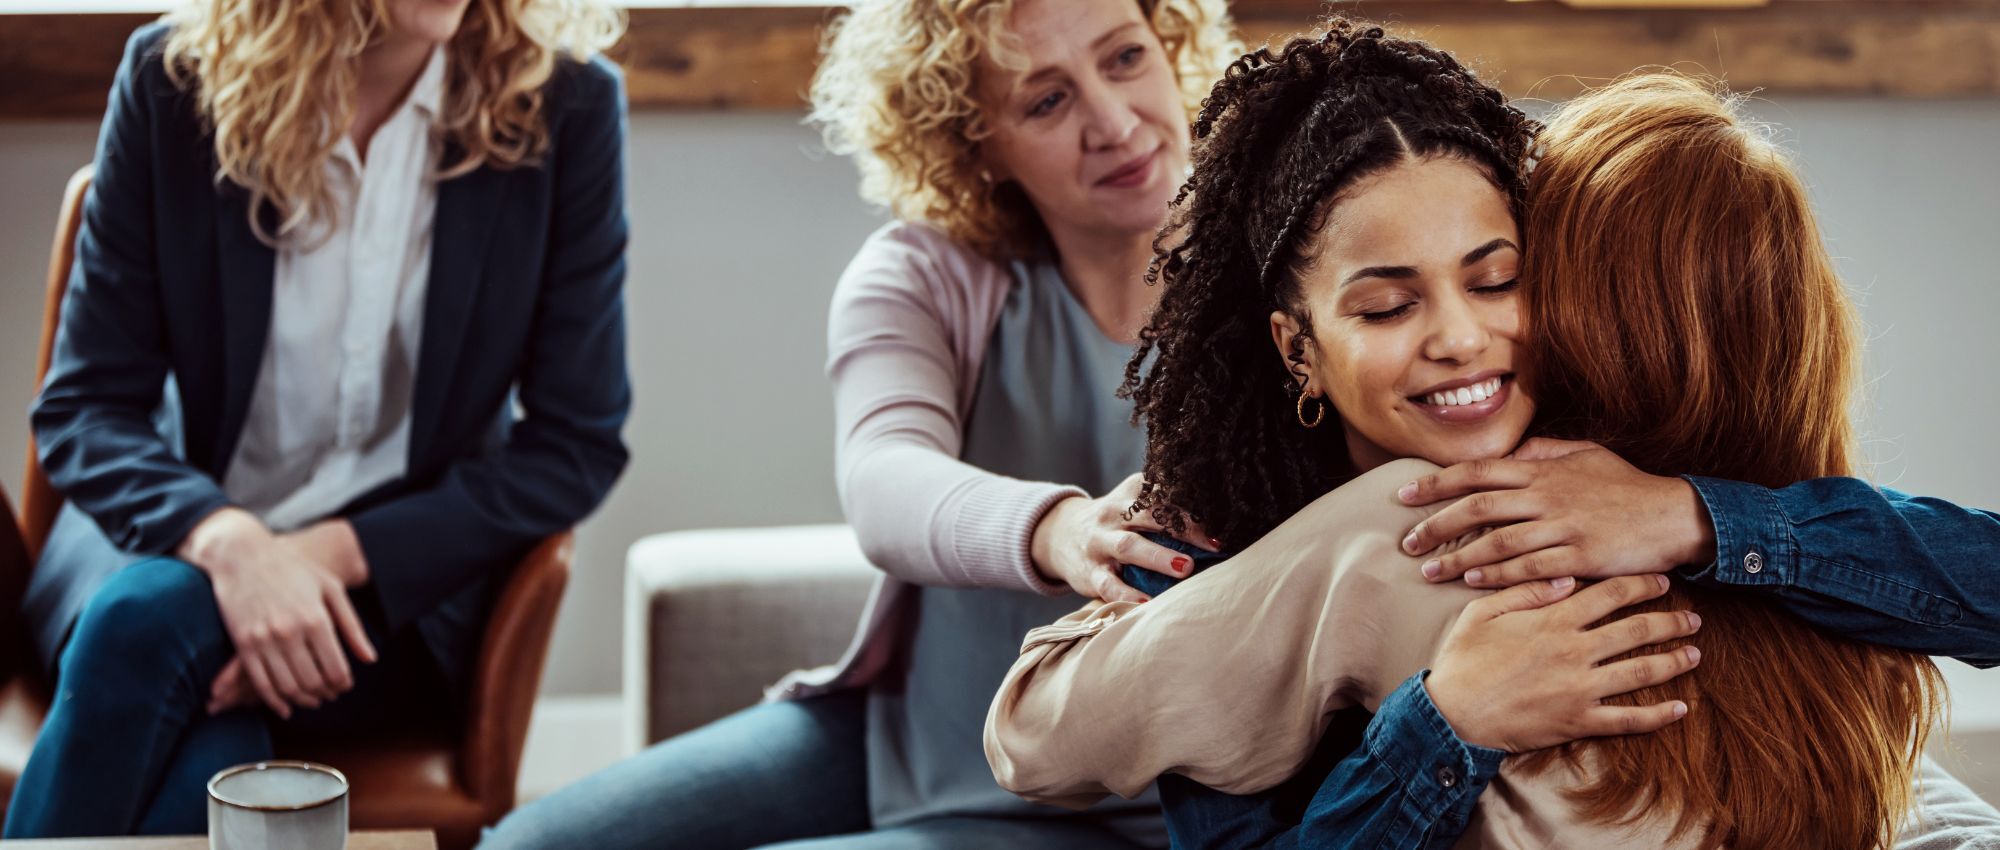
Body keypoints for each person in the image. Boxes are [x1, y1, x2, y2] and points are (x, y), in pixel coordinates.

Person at [985, 25, 2000, 849]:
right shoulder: (1229, 541)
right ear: (1298, 348)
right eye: (1386, 306)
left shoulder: (1605, 478)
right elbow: (1038, 737)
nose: (1459, 339)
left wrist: (1688, 517)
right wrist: (1448, 725)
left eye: (1496, 279)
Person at [481, 0, 1240, 846]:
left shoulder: (1282, 274)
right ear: (974, 142)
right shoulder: (921, 277)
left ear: (1170, 46)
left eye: (1127, 57)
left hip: (1142, 806)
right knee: (529, 845)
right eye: (1046, 101)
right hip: (912, 742)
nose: (1114, 122)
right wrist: (1059, 530)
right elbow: (884, 479)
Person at [8, 0, 630, 836]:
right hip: (160, 544)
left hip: (381, 607)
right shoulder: (173, 83)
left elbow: (574, 446)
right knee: (168, 656)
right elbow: (86, 407)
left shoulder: (568, 105)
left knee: (149, 640)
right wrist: (230, 545)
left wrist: (324, 557)